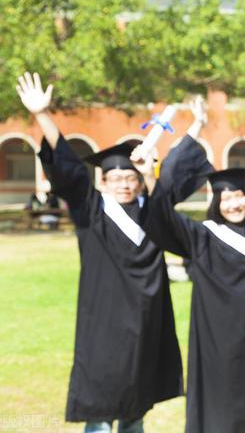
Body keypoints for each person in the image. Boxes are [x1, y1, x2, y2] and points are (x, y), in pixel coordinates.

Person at [16, 72, 183, 433]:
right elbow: (70, 171)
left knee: (137, 403)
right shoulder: (91, 210)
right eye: (115, 179)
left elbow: (170, 217)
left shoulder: (150, 210)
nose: (124, 183)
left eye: (130, 178)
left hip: (145, 322)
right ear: (102, 181)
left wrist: (149, 174)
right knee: (102, 402)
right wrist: (44, 115)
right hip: (103, 324)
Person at [135, 99, 245, 432]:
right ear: (216, 202)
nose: (234, 202)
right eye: (226, 198)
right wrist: (148, 176)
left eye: (239, 195)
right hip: (221, 349)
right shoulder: (202, 237)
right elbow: (163, 218)